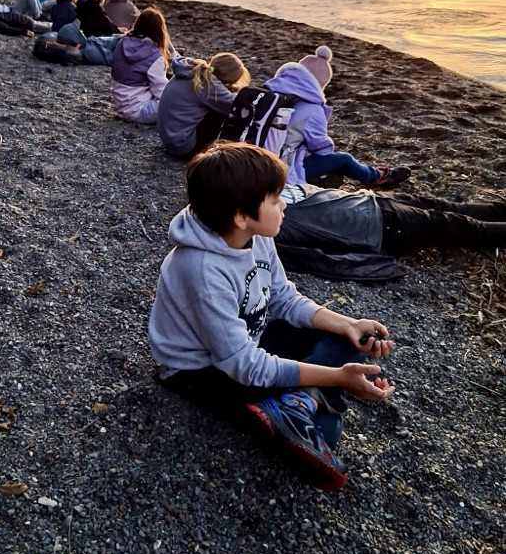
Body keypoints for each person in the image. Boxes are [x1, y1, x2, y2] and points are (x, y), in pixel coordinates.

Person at [149, 141, 394, 490]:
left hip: (252, 337)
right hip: (201, 370)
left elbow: (282, 298)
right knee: (328, 431)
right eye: (275, 199)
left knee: (347, 340)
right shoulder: (201, 269)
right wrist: (338, 379)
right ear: (241, 215)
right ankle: (300, 404)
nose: (284, 206)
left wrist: (347, 324)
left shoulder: (255, 235)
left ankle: (297, 402)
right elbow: (244, 365)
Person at [265, 46, 411, 187]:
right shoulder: (313, 110)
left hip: (254, 158)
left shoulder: (271, 94)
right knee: (344, 159)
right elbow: (322, 149)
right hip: (280, 167)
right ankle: (377, 176)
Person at [278, 182, 506, 256]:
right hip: (382, 227)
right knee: (458, 225)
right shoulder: (268, 226)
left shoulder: (263, 187)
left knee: (449, 207)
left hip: (373, 200)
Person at [156, 52, 250, 158]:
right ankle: (229, 148)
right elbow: (235, 105)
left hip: (170, 140)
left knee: (214, 106)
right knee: (222, 112)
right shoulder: (209, 85)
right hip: (183, 147)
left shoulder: (193, 71)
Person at [111, 7, 172, 124]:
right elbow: (161, 92)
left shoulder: (121, 43)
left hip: (121, 105)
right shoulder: (154, 57)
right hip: (139, 110)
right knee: (179, 102)